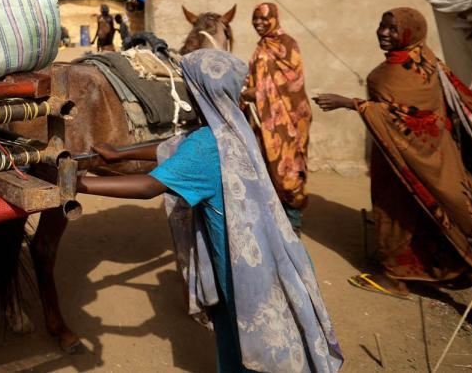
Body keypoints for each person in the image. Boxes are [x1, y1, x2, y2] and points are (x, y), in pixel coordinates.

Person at [84, 50, 343, 372]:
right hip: (260, 250)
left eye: (187, 83)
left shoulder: (207, 145)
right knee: (244, 329)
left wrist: (79, 184)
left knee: (247, 334)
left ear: (199, 91)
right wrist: (117, 154)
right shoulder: (232, 126)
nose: (184, 89)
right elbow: (176, 145)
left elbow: (149, 186)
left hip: (238, 266)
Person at [314, 8, 472, 329]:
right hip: (436, 158)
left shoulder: (393, 72)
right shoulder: (429, 60)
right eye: (382, 25)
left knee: (424, 219)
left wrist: (351, 103)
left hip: (413, 162)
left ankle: (470, 293)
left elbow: (410, 118)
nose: (383, 32)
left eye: (393, 29)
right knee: (434, 221)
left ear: (410, 32)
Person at [241, 2, 312, 233]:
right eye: (255, 18)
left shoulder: (287, 44)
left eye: (264, 18)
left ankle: (293, 219)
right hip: (264, 118)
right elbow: (254, 79)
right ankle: (275, 219)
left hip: (288, 118)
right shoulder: (260, 47)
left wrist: (257, 93)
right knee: (266, 166)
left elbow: (292, 83)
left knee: (288, 167)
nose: (259, 23)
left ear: (275, 18)